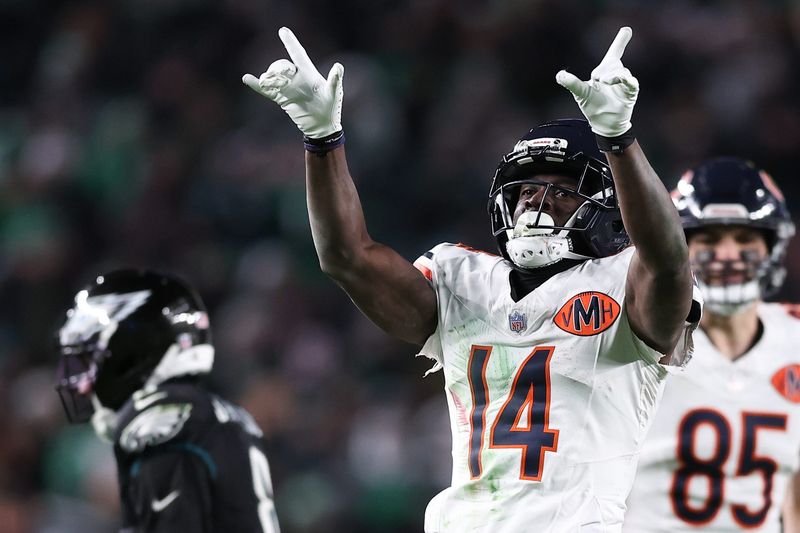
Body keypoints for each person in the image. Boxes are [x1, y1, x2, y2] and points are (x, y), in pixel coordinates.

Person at [243, 26, 697, 531]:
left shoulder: (625, 284)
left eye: (563, 190)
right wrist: (322, 139)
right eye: (527, 191)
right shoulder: (463, 279)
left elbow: (669, 260)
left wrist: (620, 139)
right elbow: (347, 258)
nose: (536, 203)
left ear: (612, 209)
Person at [624, 158, 800, 532]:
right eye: (708, 239)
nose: (726, 255)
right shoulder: (640, 339)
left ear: (771, 247)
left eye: (743, 238)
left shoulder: (794, 339)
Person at [54, 269, 280, 533]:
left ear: (131, 350)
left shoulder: (161, 419)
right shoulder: (217, 413)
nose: (82, 381)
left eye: (92, 358)